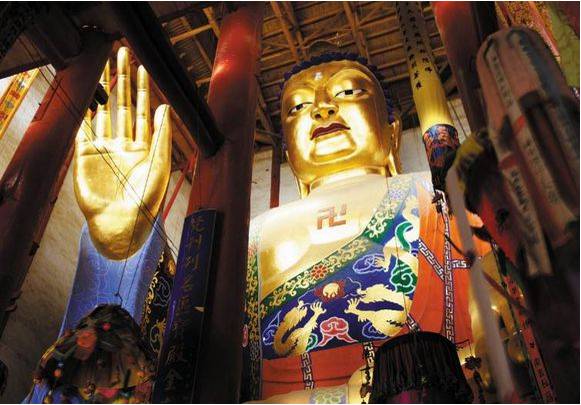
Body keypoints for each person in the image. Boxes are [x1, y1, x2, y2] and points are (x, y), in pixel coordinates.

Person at [242, 53, 486, 403]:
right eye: (298, 107)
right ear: (288, 152)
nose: (322, 109)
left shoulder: (438, 199)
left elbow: (497, 335)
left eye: (349, 92)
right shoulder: (255, 236)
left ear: (393, 131)